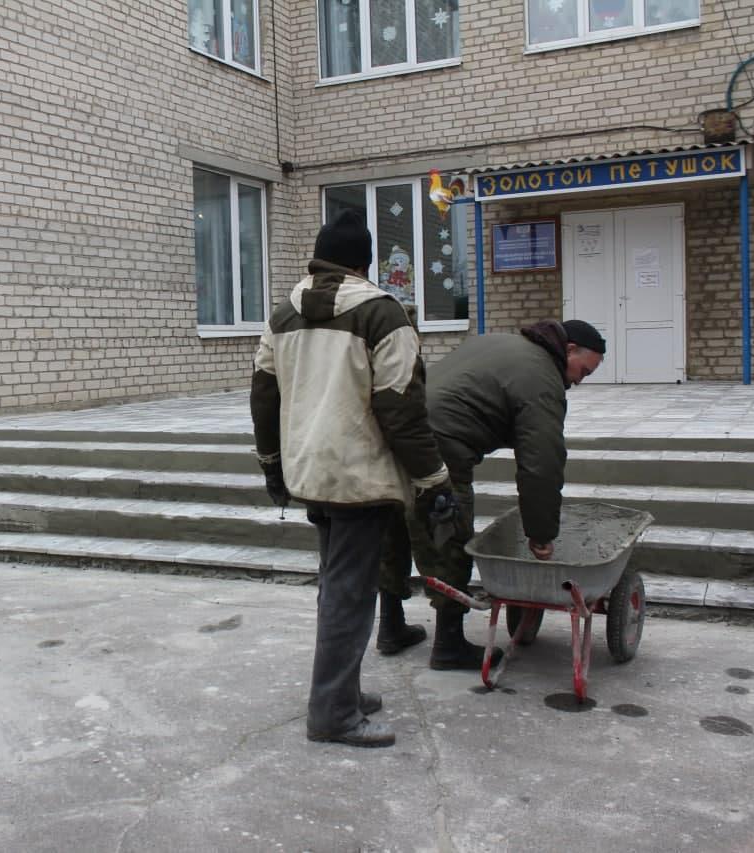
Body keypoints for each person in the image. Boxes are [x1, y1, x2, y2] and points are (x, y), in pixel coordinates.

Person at [250, 210, 455, 748]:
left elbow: (264, 396)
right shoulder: (383, 314)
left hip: (309, 471)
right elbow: (402, 410)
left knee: (337, 586)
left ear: (317, 258)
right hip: (359, 478)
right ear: (365, 263)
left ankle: (342, 693)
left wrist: (271, 464)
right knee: (350, 594)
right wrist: (433, 479)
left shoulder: (283, 315)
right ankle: (334, 714)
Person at [407, 318, 605, 670]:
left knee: (395, 526)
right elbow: (541, 465)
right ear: (569, 349)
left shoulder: (501, 343)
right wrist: (541, 534)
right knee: (449, 535)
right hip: (441, 445)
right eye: (583, 371)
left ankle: (391, 627)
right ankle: (448, 646)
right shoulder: (542, 379)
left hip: (402, 431)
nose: (579, 380)